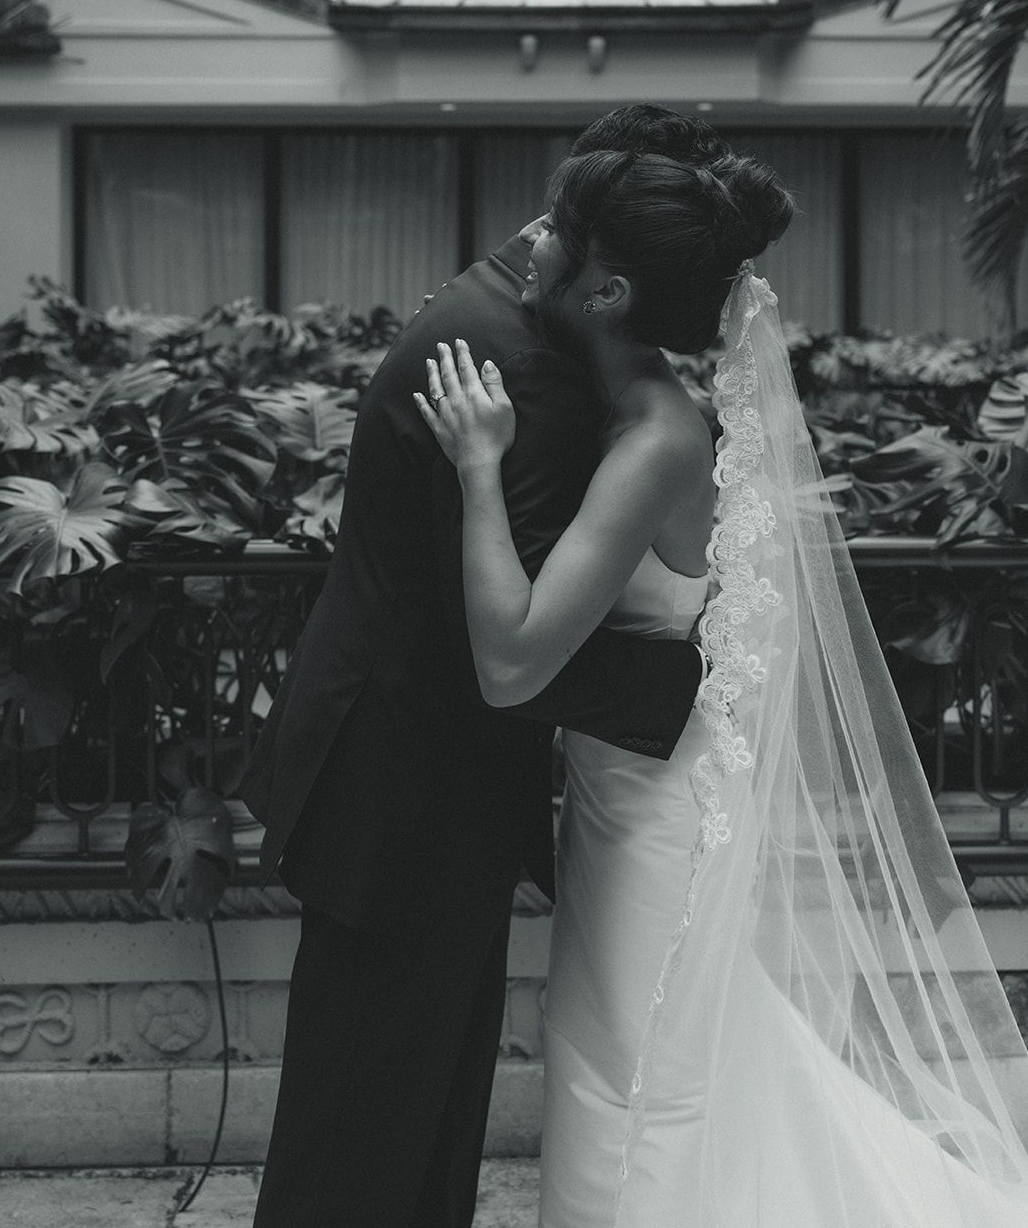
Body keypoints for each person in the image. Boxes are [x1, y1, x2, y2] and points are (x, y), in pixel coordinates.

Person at [422, 145, 1028, 1228]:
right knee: (619, 1051)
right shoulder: (630, 409)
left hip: (658, 820)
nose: (531, 239)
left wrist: (478, 468)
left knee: (637, 1069)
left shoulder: (657, 441)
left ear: (607, 290)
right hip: (631, 795)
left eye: (555, 231)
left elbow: (511, 659)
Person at [239, 110, 716, 1228]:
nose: (535, 228)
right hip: (403, 793)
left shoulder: (531, 339)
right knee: (364, 1126)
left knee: (420, 1109)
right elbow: (505, 655)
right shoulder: (523, 379)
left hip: (432, 782)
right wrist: (682, 694)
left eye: (565, 216)